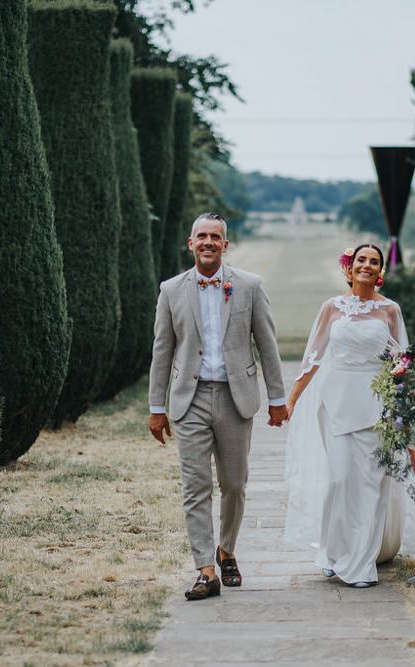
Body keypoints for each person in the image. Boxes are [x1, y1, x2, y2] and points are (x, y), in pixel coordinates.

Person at [284, 244, 415, 587]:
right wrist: (292, 399)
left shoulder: (389, 311)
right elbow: (312, 358)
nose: (367, 265)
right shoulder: (331, 308)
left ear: (380, 270)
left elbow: (402, 361)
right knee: (339, 480)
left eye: (374, 261)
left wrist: (414, 396)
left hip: (377, 406)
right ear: (349, 267)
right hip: (337, 403)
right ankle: (331, 552)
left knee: (371, 485)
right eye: (361, 260)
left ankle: (360, 563)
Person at [148, 212, 288, 601]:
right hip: (188, 399)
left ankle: (226, 550)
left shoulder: (249, 286)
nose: (208, 242)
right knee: (196, 486)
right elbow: (162, 350)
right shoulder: (171, 289)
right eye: (201, 236)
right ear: (190, 243)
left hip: (234, 396)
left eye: (216, 237)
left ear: (225, 245)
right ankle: (205, 571)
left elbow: (268, 344)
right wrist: (156, 406)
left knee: (234, 484)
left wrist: (277, 399)